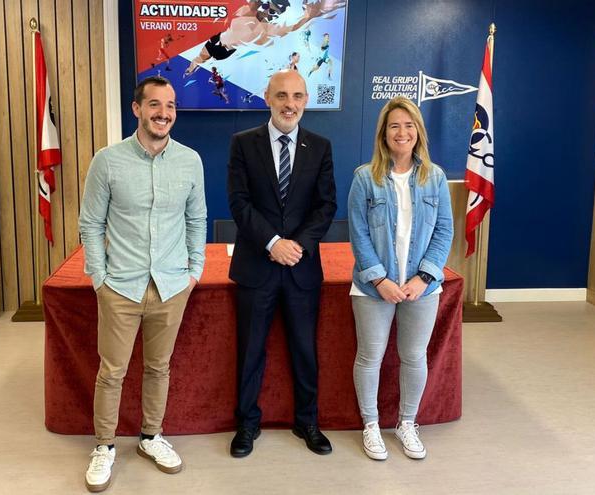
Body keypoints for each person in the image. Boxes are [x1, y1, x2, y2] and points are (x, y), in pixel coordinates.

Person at [78, 75, 207, 491]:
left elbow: (196, 219)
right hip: (121, 286)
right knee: (112, 371)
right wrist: (99, 278)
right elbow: (91, 223)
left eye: (169, 106)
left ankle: (151, 437)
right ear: (137, 109)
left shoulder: (190, 161)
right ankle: (105, 446)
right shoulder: (108, 160)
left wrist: (194, 272)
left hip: (171, 286)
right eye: (154, 105)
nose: (163, 113)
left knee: (158, 367)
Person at [227, 69, 337, 457]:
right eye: (282, 96)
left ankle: (307, 421)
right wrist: (273, 243)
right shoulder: (243, 143)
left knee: (305, 350)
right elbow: (239, 203)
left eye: (297, 96)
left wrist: (298, 246)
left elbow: (326, 206)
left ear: (306, 100)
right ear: (267, 98)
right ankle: (247, 424)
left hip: (301, 268)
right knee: (251, 350)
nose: (290, 104)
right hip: (257, 266)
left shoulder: (320, 146)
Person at [347, 96, 453, 461]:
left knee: (414, 357)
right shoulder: (365, 177)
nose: (402, 132)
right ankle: (372, 426)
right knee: (370, 357)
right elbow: (358, 234)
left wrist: (424, 278)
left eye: (408, 125)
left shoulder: (435, 177)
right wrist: (380, 281)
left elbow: (444, 232)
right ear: (384, 133)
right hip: (373, 289)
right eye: (394, 126)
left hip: (421, 289)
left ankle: (407, 423)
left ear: (418, 132)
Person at [183, 0, 347, 77]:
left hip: (226, 52)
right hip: (217, 40)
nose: (268, 13)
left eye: (274, 13)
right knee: (196, 62)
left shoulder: (266, 30)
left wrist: (311, 14)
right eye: (268, 7)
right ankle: (191, 67)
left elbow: (291, 28)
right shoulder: (248, 8)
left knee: (200, 61)